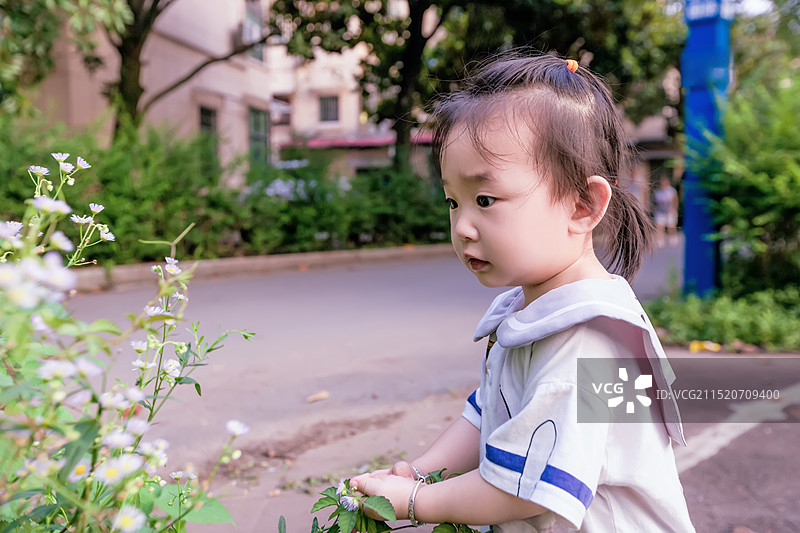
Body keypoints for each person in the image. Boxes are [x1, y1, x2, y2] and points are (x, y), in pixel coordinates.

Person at [350, 55, 695, 532]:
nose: (462, 226)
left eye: (485, 200)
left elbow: (520, 493)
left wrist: (414, 502)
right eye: (453, 201)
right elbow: (486, 412)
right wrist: (424, 471)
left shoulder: (588, 340)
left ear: (582, 205)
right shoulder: (535, 311)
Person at [653, 176, 679, 247]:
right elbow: (656, 203)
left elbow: (675, 201)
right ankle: (660, 239)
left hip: (670, 211)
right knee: (659, 226)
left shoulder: (672, 191)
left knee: (671, 226)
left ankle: (673, 237)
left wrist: (674, 209)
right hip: (660, 211)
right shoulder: (658, 192)